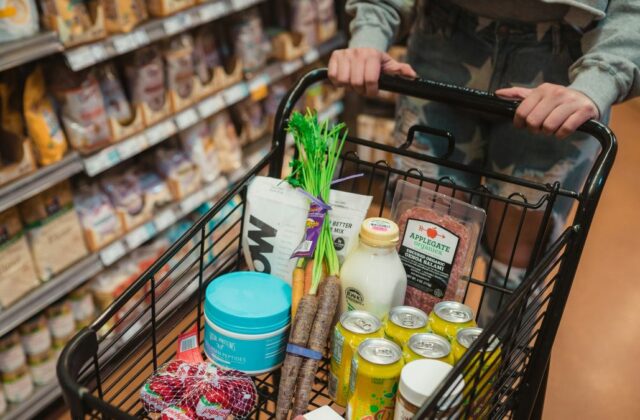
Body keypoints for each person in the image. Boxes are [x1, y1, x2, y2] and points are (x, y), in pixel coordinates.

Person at [328, 0, 640, 324]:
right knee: (423, 244)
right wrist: (370, 31)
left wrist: (602, 77)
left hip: (566, 62)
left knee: (518, 252)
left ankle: (492, 366)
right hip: (441, 39)